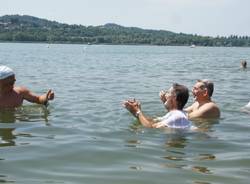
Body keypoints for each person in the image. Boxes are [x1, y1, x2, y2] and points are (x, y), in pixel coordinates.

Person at [123, 83, 192, 129]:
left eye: (168, 92)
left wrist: (138, 112)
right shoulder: (177, 114)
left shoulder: (178, 115)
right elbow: (152, 122)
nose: (165, 94)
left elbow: (150, 127)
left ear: (174, 98)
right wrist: (135, 111)